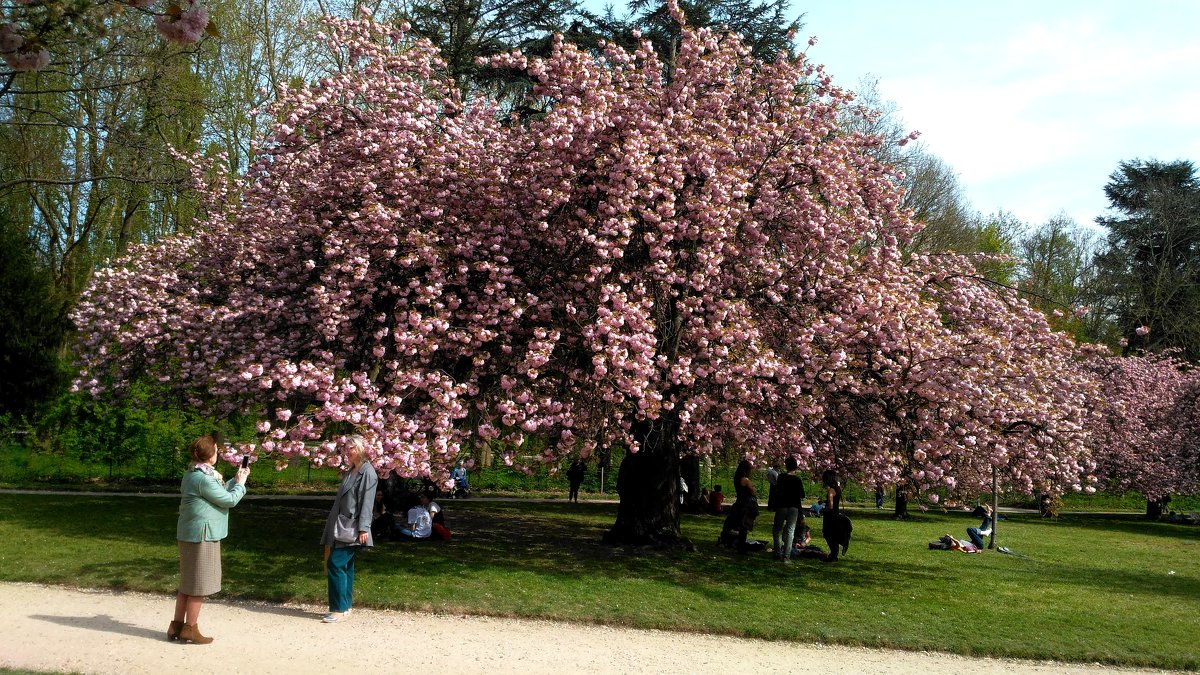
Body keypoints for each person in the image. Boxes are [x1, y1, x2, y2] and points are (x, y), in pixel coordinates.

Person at [169, 435, 249, 644]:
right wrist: (240, 485)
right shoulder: (204, 478)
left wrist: (234, 479)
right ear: (209, 455)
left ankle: (176, 626)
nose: (218, 453)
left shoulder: (193, 473)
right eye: (215, 450)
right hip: (203, 535)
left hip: (189, 533)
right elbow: (229, 500)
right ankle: (190, 629)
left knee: (187, 583)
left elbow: (217, 491)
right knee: (199, 585)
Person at [320, 435, 378, 623]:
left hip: (352, 527)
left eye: (351, 447)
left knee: (335, 563)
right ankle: (345, 607)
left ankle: (338, 608)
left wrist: (364, 528)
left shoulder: (367, 472)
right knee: (345, 566)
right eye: (346, 447)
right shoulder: (350, 471)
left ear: (361, 449)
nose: (347, 451)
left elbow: (367, 502)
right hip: (340, 525)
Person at [771, 456, 806, 563]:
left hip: (782, 506)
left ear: (786, 466)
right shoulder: (797, 480)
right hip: (794, 507)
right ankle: (786, 556)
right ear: (795, 467)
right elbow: (802, 495)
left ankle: (777, 553)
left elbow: (777, 490)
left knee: (777, 530)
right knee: (790, 531)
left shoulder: (781, 477)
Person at [721, 460, 759, 552]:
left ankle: (729, 541)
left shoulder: (737, 479)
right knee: (744, 526)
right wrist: (753, 487)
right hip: (746, 504)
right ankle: (741, 546)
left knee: (734, 523)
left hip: (739, 502)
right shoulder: (745, 480)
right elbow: (753, 491)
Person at [821, 469, 852, 562]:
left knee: (828, 534)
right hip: (836, 514)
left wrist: (822, 509)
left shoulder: (830, 490)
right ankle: (834, 554)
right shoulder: (838, 488)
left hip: (830, 516)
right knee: (833, 534)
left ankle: (833, 554)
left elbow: (830, 506)